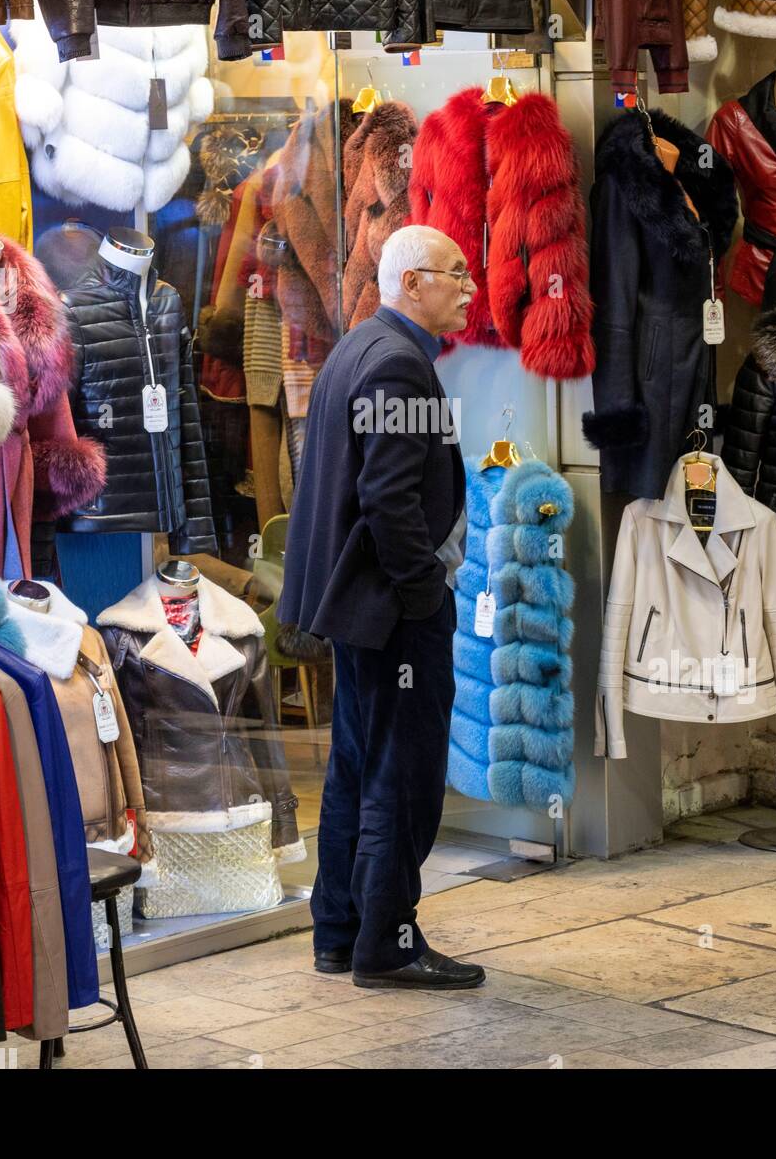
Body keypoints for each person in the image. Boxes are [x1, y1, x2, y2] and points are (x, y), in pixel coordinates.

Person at [279, 225, 484, 989]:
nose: (468, 286)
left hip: (361, 608)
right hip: (392, 611)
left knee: (358, 769)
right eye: (454, 273)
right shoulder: (397, 366)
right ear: (409, 285)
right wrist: (426, 592)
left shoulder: (360, 348)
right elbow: (390, 499)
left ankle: (340, 932)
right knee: (401, 777)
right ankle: (388, 944)